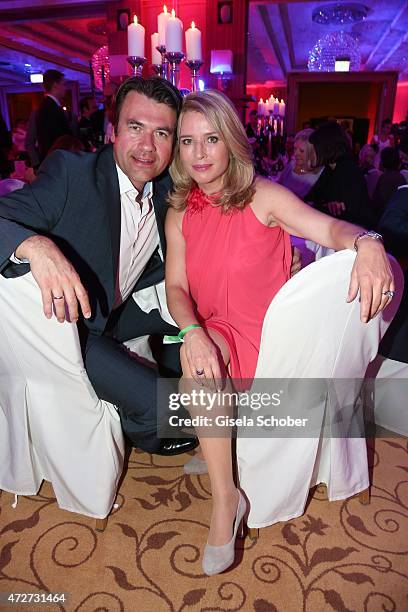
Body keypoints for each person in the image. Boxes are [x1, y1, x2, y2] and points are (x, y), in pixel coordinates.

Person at [164, 90, 394, 576]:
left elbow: (330, 230)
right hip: (216, 331)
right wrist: (191, 331)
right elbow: (176, 286)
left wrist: (369, 242)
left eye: (210, 139)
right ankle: (228, 496)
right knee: (195, 360)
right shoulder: (181, 211)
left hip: (269, 338)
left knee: (200, 365)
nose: (199, 154)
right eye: (187, 141)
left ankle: (223, 473)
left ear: (230, 142)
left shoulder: (263, 197)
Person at [0, 76, 199, 457]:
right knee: (162, 404)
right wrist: (34, 245)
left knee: (213, 347)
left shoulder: (166, 190)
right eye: (135, 128)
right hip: (69, 330)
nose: (146, 146)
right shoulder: (73, 175)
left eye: (162, 134)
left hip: (119, 314)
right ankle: (132, 422)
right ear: (113, 132)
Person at [307, 121, 374, 228]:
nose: (311, 152)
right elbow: (312, 199)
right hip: (337, 230)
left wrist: (324, 206)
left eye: (315, 148)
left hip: (355, 234)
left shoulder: (348, 170)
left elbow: (349, 213)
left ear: (327, 147)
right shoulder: (330, 168)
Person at [37, 69, 72, 161]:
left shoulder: (50, 105)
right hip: (56, 158)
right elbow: (53, 137)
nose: (65, 88)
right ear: (55, 85)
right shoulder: (49, 107)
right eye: (63, 84)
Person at [279, 128, 323, 199]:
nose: (296, 153)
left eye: (301, 151)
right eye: (295, 149)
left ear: (312, 152)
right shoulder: (291, 165)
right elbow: (278, 184)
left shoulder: (320, 174)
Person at [372, 147, 406, 219]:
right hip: (396, 219)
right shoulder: (400, 177)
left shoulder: (383, 178)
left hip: (387, 218)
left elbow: (377, 202)